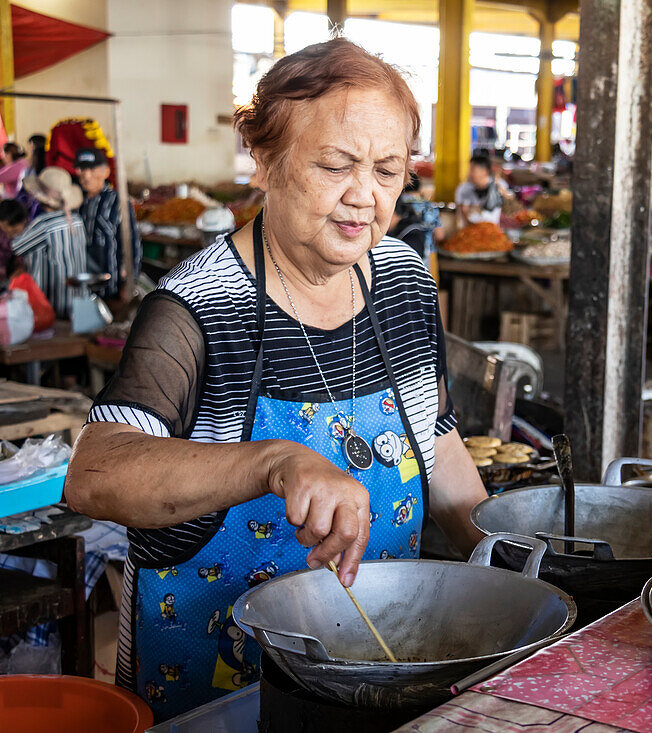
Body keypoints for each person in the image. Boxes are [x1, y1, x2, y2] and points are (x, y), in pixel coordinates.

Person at [64, 39, 487, 722]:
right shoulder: (199, 307)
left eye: (388, 170)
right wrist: (275, 460)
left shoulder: (406, 281)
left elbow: (435, 444)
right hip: (221, 689)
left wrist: (520, 574)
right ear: (265, 162)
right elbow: (95, 473)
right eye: (335, 165)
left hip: (379, 668)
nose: (365, 197)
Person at [11, 166, 86, 317]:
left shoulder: (43, 224)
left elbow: (17, 247)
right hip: (77, 302)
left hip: (50, 304)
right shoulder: (77, 220)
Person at [74, 147, 142, 299]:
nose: (86, 176)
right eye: (82, 170)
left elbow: (132, 244)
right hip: (83, 289)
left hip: (112, 290)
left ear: (105, 172)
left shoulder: (117, 202)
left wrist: (129, 283)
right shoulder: (77, 204)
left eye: (92, 170)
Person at [455, 153, 507, 226]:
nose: (469, 174)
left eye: (472, 170)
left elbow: (506, 205)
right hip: (471, 230)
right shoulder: (463, 188)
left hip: (492, 230)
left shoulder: (499, 185)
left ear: (484, 171)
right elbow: (462, 212)